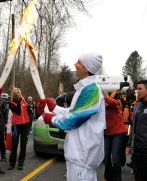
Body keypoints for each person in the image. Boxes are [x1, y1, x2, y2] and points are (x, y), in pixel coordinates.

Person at [37, 53, 105, 181]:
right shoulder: (83, 89)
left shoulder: (92, 91)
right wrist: (54, 108)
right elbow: (72, 112)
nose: (75, 64)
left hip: (83, 156)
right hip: (78, 153)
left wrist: (51, 118)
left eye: (79, 62)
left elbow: (74, 119)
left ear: (86, 68)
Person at [103, 91, 127, 181]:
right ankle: (108, 177)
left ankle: (117, 179)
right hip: (107, 133)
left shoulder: (116, 103)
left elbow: (112, 102)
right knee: (106, 156)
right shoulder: (102, 106)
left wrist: (105, 96)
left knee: (115, 157)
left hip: (118, 133)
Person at [127, 80, 147, 181]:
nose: (137, 91)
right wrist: (129, 144)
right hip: (137, 151)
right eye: (137, 89)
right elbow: (133, 127)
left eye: (140, 89)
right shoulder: (138, 107)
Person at [8, 88, 30, 170]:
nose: (17, 94)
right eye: (15, 93)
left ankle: (21, 163)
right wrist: (20, 99)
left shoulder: (24, 101)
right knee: (14, 144)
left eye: (18, 92)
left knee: (23, 145)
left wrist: (27, 104)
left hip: (25, 125)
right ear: (13, 94)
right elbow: (18, 111)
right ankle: (12, 163)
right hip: (16, 126)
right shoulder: (11, 103)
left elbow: (29, 111)